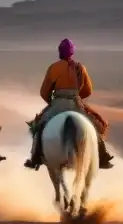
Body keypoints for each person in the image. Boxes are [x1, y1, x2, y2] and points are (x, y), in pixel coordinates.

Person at [23, 38, 114, 170]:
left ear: (60, 52)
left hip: (57, 102)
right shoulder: (80, 68)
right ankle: (103, 156)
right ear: (72, 53)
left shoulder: (53, 68)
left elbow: (44, 92)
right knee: (95, 125)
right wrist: (76, 97)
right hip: (76, 103)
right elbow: (88, 90)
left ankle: (35, 158)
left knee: (38, 125)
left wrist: (52, 102)